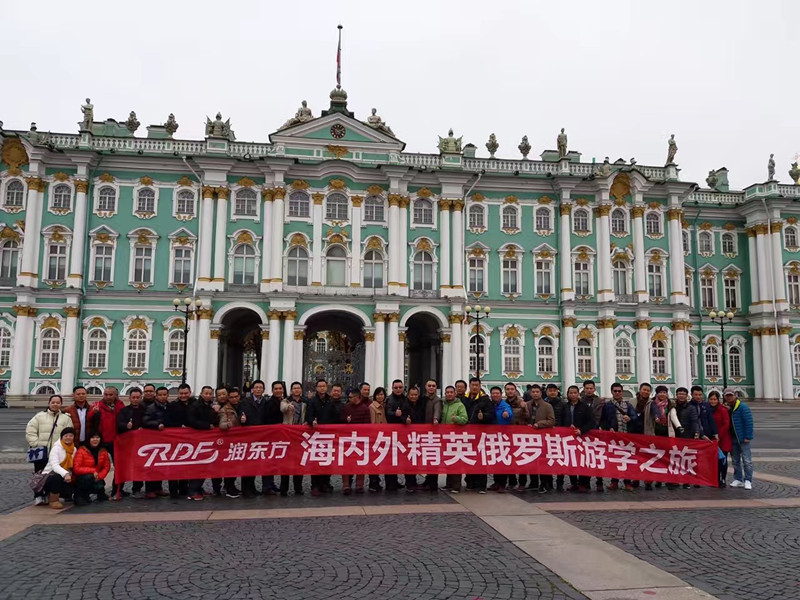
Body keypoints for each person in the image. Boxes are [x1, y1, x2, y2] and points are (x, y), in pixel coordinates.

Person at [26, 394, 73, 503]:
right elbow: (30, 430)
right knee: (39, 474)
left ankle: (50, 494)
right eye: (53, 402)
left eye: (58, 402)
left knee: (54, 475)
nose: (55, 404)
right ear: (49, 403)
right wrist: (36, 444)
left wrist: (64, 447)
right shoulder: (39, 416)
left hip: (57, 452)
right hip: (41, 451)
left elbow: (69, 433)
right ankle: (38, 495)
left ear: (61, 404)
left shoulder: (66, 418)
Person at [600, 383, 638, 491]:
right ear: (612, 392)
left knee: (627, 460)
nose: (617, 393)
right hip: (614, 436)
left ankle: (627, 482)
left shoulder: (628, 405)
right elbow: (603, 420)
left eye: (619, 391)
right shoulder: (607, 405)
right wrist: (608, 428)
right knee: (614, 460)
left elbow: (635, 417)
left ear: (622, 392)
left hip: (626, 435)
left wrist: (630, 419)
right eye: (615, 391)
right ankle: (614, 481)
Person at [306, 378, 341, 497]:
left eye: (324, 386)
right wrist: (312, 421)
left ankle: (326, 483)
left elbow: (336, 416)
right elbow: (309, 416)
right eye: (320, 386)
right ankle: (315, 485)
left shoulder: (330, 401)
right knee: (316, 461)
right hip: (316, 435)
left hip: (328, 435)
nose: (322, 388)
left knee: (327, 460)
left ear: (327, 388)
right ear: (316, 388)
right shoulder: (312, 401)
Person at [88, 386, 125, 498]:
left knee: (119, 467)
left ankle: (117, 490)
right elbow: (88, 419)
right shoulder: (97, 405)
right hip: (101, 441)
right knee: (98, 467)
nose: (108, 397)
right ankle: (99, 491)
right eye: (106, 394)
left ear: (115, 395)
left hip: (116, 441)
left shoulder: (120, 405)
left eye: (111, 394)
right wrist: (93, 413)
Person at [185, 384, 219, 501]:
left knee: (204, 466)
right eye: (206, 393)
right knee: (198, 466)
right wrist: (206, 426)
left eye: (210, 394)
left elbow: (213, 420)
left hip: (206, 440)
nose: (208, 395)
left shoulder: (210, 406)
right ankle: (193, 490)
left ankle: (198, 488)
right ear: (201, 394)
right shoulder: (195, 406)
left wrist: (215, 413)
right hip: (197, 439)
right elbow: (192, 421)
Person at [644, 385, 681, 490]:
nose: (662, 394)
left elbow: (674, 417)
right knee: (652, 458)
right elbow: (648, 418)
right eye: (660, 392)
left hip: (667, 434)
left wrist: (679, 426)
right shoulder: (651, 404)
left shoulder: (670, 405)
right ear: (656, 393)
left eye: (664, 392)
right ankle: (649, 481)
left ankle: (669, 480)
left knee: (667, 458)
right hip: (653, 434)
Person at [239, 380, 272, 497]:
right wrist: (242, 419)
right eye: (256, 387)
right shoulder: (245, 402)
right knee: (247, 464)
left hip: (261, 437)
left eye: (260, 387)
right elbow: (241, 414)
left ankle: (252, 487)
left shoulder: (265, 402)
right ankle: (246, 489)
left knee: (255, 464)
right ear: (252, 389)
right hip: (248, 436)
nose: (258, 389)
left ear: (263, 390)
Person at [560, 385, 594, 492]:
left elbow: (591, 421)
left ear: (578, 394)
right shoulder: (565, 407)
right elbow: (561, 421)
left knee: (583, 461)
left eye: (575, 393)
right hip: (568, 438)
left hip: (582, 438)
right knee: (571, 461)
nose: (573, 395)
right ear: (568, 394)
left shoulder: (585, 407)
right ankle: (573, 483)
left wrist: (582, 430)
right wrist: (566, 428)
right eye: (571, 393)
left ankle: (584, 483)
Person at [142, 386, 172, 498]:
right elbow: (145, 421)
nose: (163, 397)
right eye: (160, 395)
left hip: (165, 440)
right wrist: (156, 424)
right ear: (156, 395)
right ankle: (149, 489)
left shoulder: (169, 406)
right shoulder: (151, 408)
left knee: (161, 465)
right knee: (152, 465)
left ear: (167, 395)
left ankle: (158, 487)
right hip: (153, 440)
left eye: (165, 395)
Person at [466, 377, 494, 493]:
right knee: (469, 459)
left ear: (480, 385)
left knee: (481, 459)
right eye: (472, 385)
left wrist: (484, 417)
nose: (474, 387)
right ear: (470, 385)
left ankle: (482, 485)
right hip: (467, 434)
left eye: (476, 385)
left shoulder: (485, 400)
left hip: (480, 434)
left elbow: (491, 415)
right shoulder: (465, 399)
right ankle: (470, 483)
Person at [116, 387, 145, 498]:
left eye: (138, 397)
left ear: (141, 398)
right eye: (133, 397)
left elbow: (148, 422)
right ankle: (119, 489)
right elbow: (119, 424)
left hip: (142, 444)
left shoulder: (144, 409)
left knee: (140, 467)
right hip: (128, 443)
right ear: (129, 398)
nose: (135, 399)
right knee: (124, 466)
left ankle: (137, 489)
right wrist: (126, 426)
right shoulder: (124, 410)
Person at [341, 387, 371, 495]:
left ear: (357, 397)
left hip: (360, 439)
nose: (349, 399)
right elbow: (341, 420)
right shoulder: (346, 407)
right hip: (347, 439)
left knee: (360, 462)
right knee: (345, 462)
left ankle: (359, 484)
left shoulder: (364, 408)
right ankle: (346, 484)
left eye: (351, 397)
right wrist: (346, 420)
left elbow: (367, 424)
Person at [39, 427, 77, 509]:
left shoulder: (74, 449)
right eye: (66, 436)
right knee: (56, 478)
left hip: (66, 476)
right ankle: (53, 500)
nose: (68, 438)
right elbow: (55, 465)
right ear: (62, 437)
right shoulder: (56, 448)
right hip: (50, 475)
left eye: (71, 436)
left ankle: (69, 494)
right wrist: (66, 474)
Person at [280, 382, 306, 496]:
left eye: (298, 388)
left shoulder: (305, 402)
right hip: (288, 434)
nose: (296, 390)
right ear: (291, 390)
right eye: (294, 388)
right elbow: (283, 408)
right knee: (285, 463)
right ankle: (284, 488)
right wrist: (289, 407)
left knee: (299, 462)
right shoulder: (285, 401)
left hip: (300, 435)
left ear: (301, 390)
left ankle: (298, 487)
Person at [724, 388, 754, 490]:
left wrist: (748, 436)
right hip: (732, 438)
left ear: (735, 396)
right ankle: (738, 479)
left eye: (730, 395)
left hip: (742, 438)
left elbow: (748, 422)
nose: (729, 397)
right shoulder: (727, 408)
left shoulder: (742, 407)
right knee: (735, 460)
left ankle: (748, 480)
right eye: (727, 396)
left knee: (747, 460)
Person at [440, 385, 468, 493]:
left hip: (456, 437)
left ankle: (456, 486)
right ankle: (449, 484)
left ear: (455, 393)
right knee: (448, 461)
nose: (449, 394)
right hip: (446, 437)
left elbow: (464, 419)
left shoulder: (460, 405)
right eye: (447, 392)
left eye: (451, 392)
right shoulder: (444, 405)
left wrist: (455, 418)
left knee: (456, 462)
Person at [72, 431, 111, 506]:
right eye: (92, 438)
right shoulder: (81, 450)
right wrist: (93, 471)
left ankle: (101, 494)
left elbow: (106, 466)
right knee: (87, 477)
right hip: (82, 478)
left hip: (96, 477)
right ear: (88, 439)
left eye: (97, 437)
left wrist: (99, 476)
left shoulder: (103, 451)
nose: (95, 439)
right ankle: (80, 496)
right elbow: (76, 468)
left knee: (100, 483)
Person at [529, 384, 556, 493]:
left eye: (537, 392)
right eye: (533, 392)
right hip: (530, 438)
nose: (535, 393)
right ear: (531, 393)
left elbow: (552, 420)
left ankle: (545, 484)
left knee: (544, 462)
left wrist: (539, 424)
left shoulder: (547, 406)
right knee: (531, 460)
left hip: (544, 437)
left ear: (541, 393)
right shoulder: (527, 405)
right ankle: (533, 482)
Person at [217, 386, 242, 498]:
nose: (234, 399)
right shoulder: (224, 410)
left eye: (236, 397)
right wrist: (227, 425)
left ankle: (231, 485)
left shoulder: (242, 406)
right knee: (229, 466)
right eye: (232, 397)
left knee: (236, 466)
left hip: (239, 440)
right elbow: (221, 424)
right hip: (229, 441)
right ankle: (228, 487)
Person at [581, 380, 606, 491]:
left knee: (597, 458)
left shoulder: (601, 402)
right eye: (587, 388)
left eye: (591, 388)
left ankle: (599, 482)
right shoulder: (580, 401)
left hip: (597, 433)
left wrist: (602, 426)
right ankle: (584, 483)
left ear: (594, 389)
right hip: (584, 433)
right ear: (584, 389)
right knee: (584, 459)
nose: (589, 390)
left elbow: (605, 417)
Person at [505, 382, 530, 491]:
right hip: (507, 434)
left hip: (520, 435)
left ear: (515, 390)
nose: (510, 391)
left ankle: (522, 483)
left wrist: (524, 408)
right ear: (505, 391)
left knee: (521, 460)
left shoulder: (521, 402)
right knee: (509, 459)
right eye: (508, 389)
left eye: (512, 389)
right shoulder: (504, 403)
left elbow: (527, 416)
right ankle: (512, 481)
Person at [488, 386, 513, 493]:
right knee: (495, 460)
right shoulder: (490, 405)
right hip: (492, 437)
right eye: (493, 393)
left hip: (503, 437)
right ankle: (496, 482)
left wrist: (507, 415)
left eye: (497, 393)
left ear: (500, 394)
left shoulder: (505, 406)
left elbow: (509, 414)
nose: (495, 395)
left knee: (502, 461)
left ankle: (502, 484)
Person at [384, 379, 408, 492]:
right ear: (392, 388)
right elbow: (387, 413)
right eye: (396, 387)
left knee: (400, 458)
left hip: (403, 432)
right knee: (390, 459)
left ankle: (396, 481)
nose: (398, 389)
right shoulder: (389, 399)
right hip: (391, 433)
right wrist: (395, 414)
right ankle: (390, 483)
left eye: (400, 387)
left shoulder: (405, 398)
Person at [542, 384, 566, 492]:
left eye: (554, 390)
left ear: (557, 392)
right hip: (546, 435)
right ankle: (548, 482)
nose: (552, 392)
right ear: (546, 392)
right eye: (550, 390)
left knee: (561, 460)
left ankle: (560, 483)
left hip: (560, 435)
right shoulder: (543, 404)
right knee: (547, 460)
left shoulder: (563, 404)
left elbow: (566, 419)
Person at [421, 379, 442, 491]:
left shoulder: (437, 400)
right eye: (429, 385)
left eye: (433, 386)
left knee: (432, 458)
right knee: (426, 458)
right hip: (423, 431)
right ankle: (428, 479)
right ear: (425, 386)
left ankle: (433, 482)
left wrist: (435, 419)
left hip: (433, 433)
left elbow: (437, 411)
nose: (431, 387)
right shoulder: (423, 399)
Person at [708, 391, 731, 488]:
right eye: (711, 399)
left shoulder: (723, 410)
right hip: (712, 440)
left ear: (718, 400)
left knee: (722, 460)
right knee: (713, 461)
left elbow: (726, 424)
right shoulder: (707, 409)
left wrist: (718, 436)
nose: (713, 401)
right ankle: (715, 479)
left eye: (715, 399)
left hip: (722, 439)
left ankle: (723, 479)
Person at [368, 386, 387, 493]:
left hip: (383, 436)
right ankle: (373, 482)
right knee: (374, 461)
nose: (380, 396)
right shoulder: (372, 407)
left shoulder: (384, 406)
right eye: (378, 394)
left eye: (382, 394)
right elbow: (372, 423)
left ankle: (377, 481)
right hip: (376, 437)